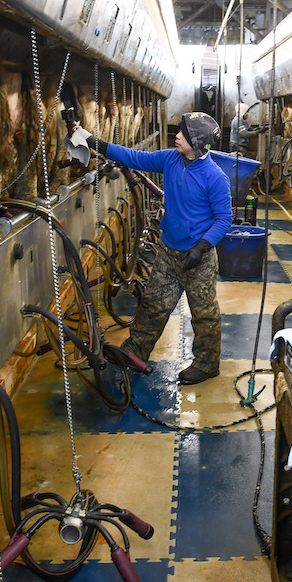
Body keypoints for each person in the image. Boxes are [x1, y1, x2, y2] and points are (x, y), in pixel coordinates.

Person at [71, 112, 233, 384]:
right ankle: (135, 352)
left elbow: (224, 218)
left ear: (199, 144)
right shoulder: (170, 159)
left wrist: (203, 246)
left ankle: (206, 364)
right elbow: (133, 158)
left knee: (204, 313)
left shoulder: (215, 177)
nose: (177, 136)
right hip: (169, 252)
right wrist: (93, 142)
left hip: (199, 258)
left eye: (183, 134)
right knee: (153, 304)